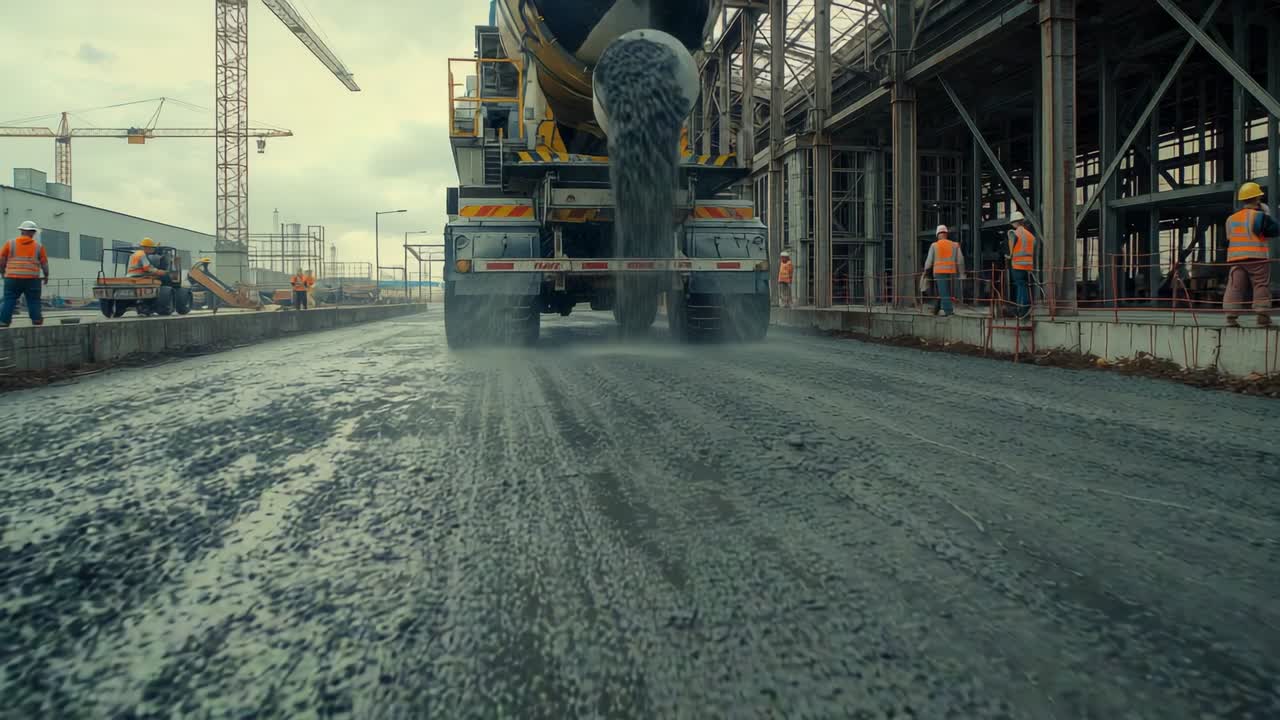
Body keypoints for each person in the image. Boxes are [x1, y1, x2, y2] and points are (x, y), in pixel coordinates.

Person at [1223, 182, 1279, 328]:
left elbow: (1230, 237)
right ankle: (1262, 316)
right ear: (1257, 199)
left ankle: (1230, 317)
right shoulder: (1259, 216)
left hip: (1236, 258)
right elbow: (1275, 231)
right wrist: (1267, 214)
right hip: (1256, 257)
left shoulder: (1231, 219)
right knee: (1260, 285)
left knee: (1234, 286)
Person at [0, 220, 50, 328]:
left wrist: (2, 272)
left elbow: (2, 260)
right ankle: (36, 320)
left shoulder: (10, 244)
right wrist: (46, 276)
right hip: (31, 280)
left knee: (9, 299)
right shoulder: (38, 247)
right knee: (33, 300)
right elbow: (44, 264)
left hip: (12, 278)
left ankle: (3, 321)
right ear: (33, 232)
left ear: (21, 231)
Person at [924, 224, 964, 317]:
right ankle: (936, 309)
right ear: (946, 234)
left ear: (937, 234)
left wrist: (926, 271)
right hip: (951, 272)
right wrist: (962, 273)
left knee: (944, 292)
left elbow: (929, 261)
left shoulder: (934, 245)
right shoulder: (955, 245)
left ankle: (948, 311)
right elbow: (961, 260)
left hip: (939, 272)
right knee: (944, 291)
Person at [1007, 211, 1036, 319]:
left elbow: (1011, 250)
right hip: (1028, 265)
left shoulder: (1014, 233)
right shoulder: (1030, 236)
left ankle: (1023, 308)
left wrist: (1009, 256)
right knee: (1024, 285)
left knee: (1020, 285)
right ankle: (1022, 308)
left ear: (1014, 222)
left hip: (1017, 265)